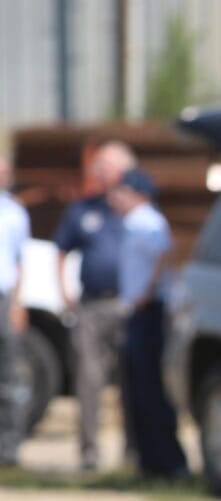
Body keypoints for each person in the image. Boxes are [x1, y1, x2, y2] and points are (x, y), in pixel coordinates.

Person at [54, 140, 137, 471]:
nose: (99, 172)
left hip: (127, 305)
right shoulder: (83, 209)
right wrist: (64, 292)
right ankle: (89, 451)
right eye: (98, 166)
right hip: (91, 305)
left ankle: (134, 450)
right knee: (89, 379)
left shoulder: (135, 209)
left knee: (132, 379)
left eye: (106, 166)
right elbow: (61, 249)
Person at [107, 168, 188, 480]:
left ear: (137, 194)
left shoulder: (146, 221)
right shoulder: (134, 222)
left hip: (148, 311)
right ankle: (149, 462)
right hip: (138, 310)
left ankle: (168, 462)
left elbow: (164, 254)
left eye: (120, 191)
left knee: (151, 388)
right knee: (138, 389)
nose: (114, 198)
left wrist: (147, 292)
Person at [0, 155, 31, 467]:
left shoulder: (15, 211)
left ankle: (8, 448)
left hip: (4, 296)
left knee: (8, 376)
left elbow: (20, 261)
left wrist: (18, 303)